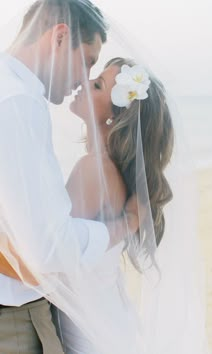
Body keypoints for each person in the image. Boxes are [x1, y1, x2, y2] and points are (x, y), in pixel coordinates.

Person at [0, 1, 140, 353]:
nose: (83, 78)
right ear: (60, 37)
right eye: (89, 61)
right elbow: (48, 249)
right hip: (14, 318)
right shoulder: (17, 103)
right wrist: (125, 225)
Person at [51, 57, 174, 353]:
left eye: (96, 85)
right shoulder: (113, 170)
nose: (82, 83)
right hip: (107, 318)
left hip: (90, 328)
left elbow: (56, 256)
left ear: (113, 118)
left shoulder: (93, 169)